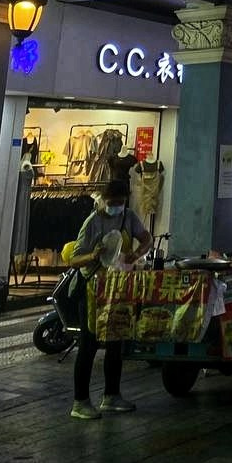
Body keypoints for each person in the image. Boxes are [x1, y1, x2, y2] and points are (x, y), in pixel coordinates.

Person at [66, 178, 151, 420]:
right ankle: (80, 402)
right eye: (112, 202)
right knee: (89, 342)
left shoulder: (128, 217)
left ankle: (111, 396)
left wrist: (138, 253)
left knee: (116, 340)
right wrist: (93, 254)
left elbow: (146, 238)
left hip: (117, 287)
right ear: (104, 200)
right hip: (92, 288)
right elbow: (73, 259)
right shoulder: (93, 222)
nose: (116, 206)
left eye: (120, 202)